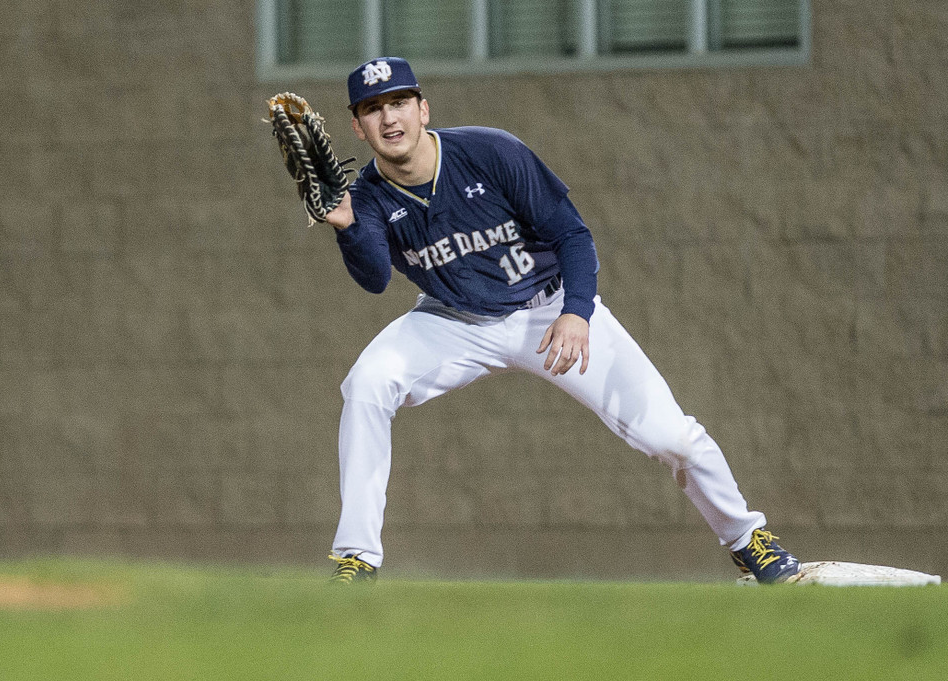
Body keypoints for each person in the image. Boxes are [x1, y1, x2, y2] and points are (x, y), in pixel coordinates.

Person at [323, 57, 801, 585]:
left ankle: (745, 538)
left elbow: (572, 235)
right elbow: (372, 278)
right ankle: (357, 558)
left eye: (399, 103)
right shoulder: (364, 196)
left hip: (548, 308)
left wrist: (577, 312)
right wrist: (345, 225)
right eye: (373, 109)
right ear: (357, 125)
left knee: (672, 437)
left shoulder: (489, 151)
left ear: (423, 107)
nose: (389, 118)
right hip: (451, 319)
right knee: (366, 384)